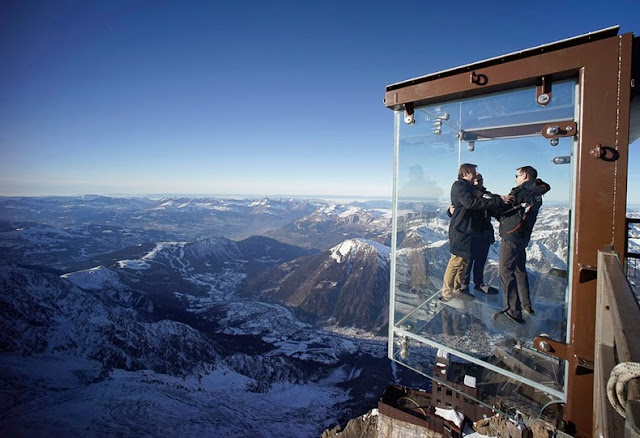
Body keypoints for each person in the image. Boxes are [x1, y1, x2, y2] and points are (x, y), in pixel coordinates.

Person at [440, 164, 510, 302]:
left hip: (470, 232)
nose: (475, 177)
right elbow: (470, 203)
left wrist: (488, 196)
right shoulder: (460, 186)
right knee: (456, 262)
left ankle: (458, 289)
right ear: (465, 173)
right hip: (462, 231)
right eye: (473, 173)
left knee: (464, 262)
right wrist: (497, 199)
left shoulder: (470, 188)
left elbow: (482, 200)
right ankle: (447, 293)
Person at [497, 166, 551, 323]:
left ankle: (512, 311)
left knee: (505, 272)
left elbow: (503, 208)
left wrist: (494, 201)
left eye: (517, 175)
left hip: (512, 235)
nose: (515, 179)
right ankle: (526, 305)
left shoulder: (521, 192)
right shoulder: (536, 192)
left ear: (525, 176)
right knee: (520, 271)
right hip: (523, 236)